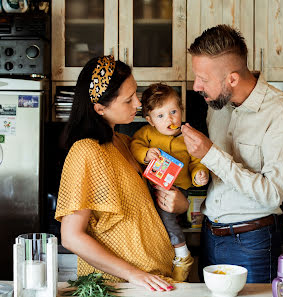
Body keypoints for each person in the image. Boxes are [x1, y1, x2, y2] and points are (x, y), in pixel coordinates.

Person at [55, 56, 190, 292]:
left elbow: (151, 207)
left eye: (136, 94)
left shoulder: (126, 144)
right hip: (119, 287)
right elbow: (71, 236)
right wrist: (134, 274)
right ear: (99, 108)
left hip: (154, 281)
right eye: (128, 100)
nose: (138, 104)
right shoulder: (86, 151)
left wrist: (180, 204)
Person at [181, 24, 283, 283]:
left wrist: (211, 154)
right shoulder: (217, 104)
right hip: (210, 235)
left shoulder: (282, 112)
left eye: (203, 79)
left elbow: (272, 195)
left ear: (232, 79)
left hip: (252, 242)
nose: (195, 86)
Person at [130, 83, 209, 281]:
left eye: (173, 111)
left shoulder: (189, 137)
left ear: (182, 110)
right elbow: (134, 146)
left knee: (166, 216)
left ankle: (182, 253)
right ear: (149, 120)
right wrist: (146, 154)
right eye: (161, 116)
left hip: (177, 188)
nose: (170, 119)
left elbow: (197, 162)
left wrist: (199, 175)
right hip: (151, 184)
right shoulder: (146, 134)